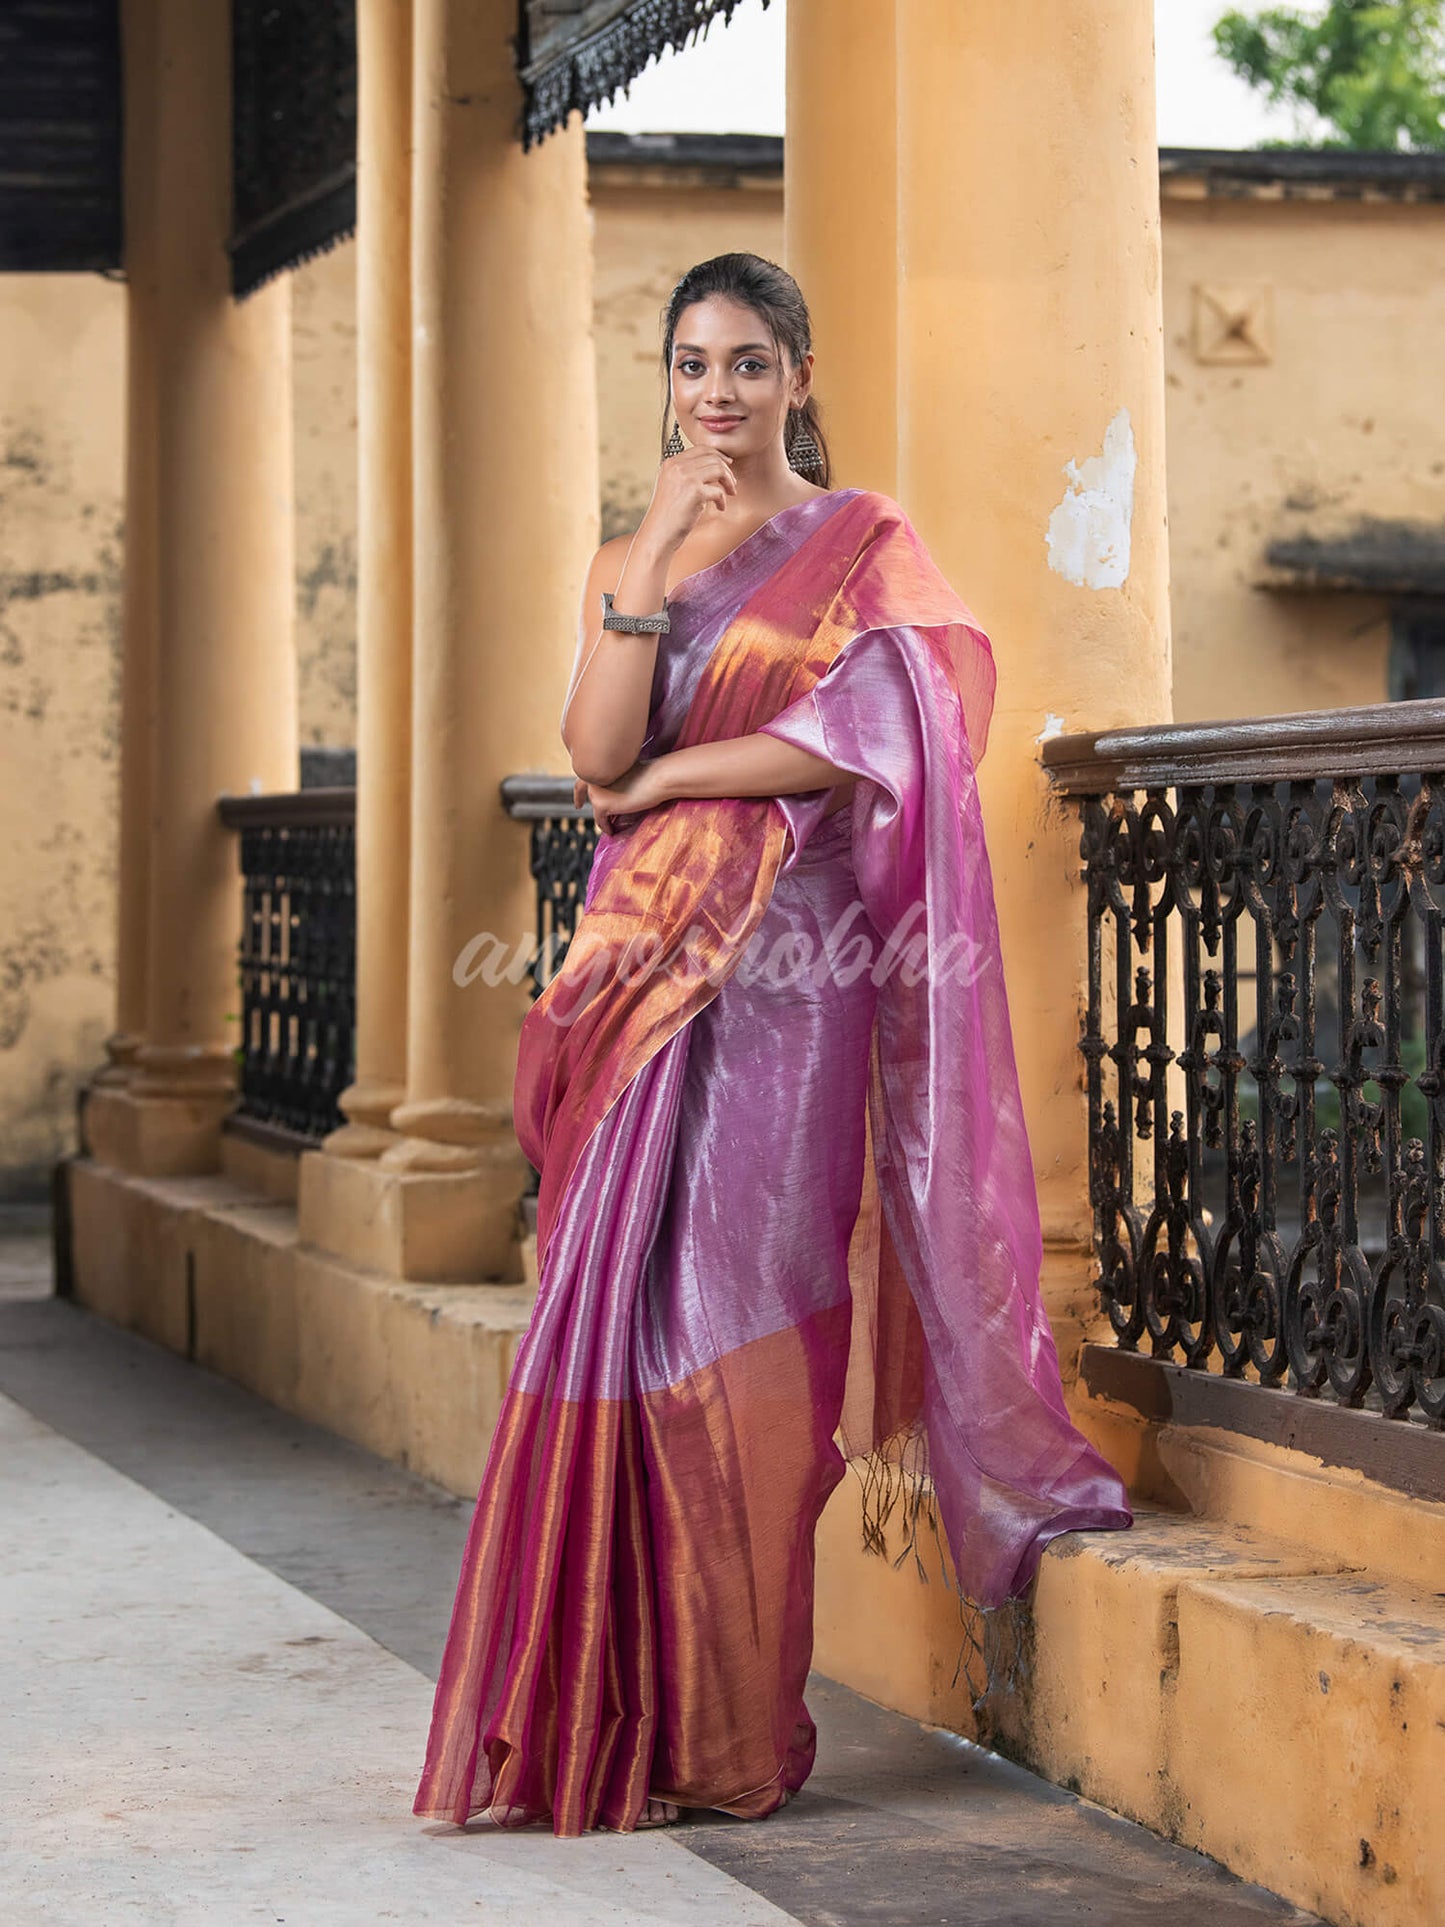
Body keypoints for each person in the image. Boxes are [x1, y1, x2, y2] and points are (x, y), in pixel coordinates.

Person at [413, 252, 1132, 1838]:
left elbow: (878, 734)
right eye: (689, 365)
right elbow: (592, 747)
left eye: (746, 362)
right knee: (609, 1331)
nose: (716, 394)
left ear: (798, 374)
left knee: (742, 1353)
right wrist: (649, 571)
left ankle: (726, 1736)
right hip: (638, 988)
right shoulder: (637, 550)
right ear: (664, 382)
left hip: (793, 986)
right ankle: (614, 1718)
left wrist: (676, 786)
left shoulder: (865, 546)